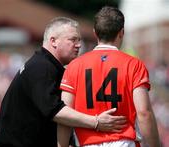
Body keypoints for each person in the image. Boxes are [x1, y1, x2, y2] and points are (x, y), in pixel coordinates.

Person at [0, 17, 127, 147]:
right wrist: (96, 121)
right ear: (53, 41)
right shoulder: (41, 67)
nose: (79, 45)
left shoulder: (48, 65)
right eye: (73, 40)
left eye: (79, 40)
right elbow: (56, 111)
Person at [58, 7, 161, 147]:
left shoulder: (74, 66)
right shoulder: (134, 64)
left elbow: (65, 115)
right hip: (124, 142)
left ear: (95, 33)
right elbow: (144, 113)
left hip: (87, 143)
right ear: (121, 33)